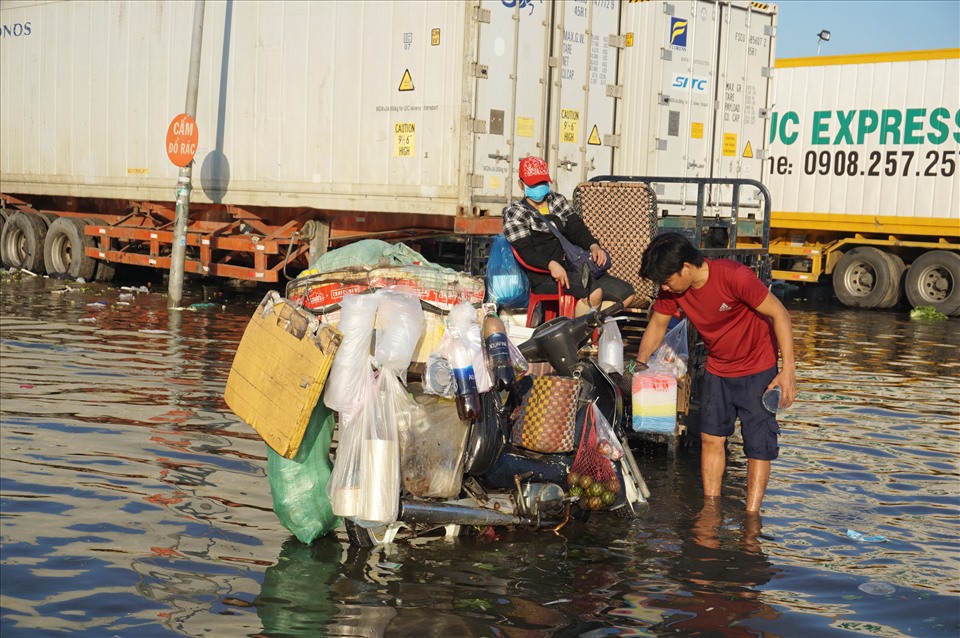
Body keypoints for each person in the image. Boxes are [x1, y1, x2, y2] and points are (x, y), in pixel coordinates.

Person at [636, 232, 796, 512]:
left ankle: (752, 516)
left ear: (686, 268)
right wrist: (640, 365)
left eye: (667, 280)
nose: (665, 287)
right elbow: (658, 325)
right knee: (710, 437)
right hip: (718, 367)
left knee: (758, 445)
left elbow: (779, 314)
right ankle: (711, 509)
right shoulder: (672, 290)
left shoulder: (734, 277)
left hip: (757, 366)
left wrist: (788, 371)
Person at [502, 156, 635, 312]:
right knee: (594, 292)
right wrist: (551, 264)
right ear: (521, 184)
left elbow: (576, 227)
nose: (539, 187)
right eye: (534, 183)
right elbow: (526, 251)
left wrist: (593, 245)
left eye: (542, 182)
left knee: (627, 294)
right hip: (545, 276)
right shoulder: (515, 212)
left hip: (574, 266)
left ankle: (593, 325)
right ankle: (579, 334)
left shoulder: (557, 200)